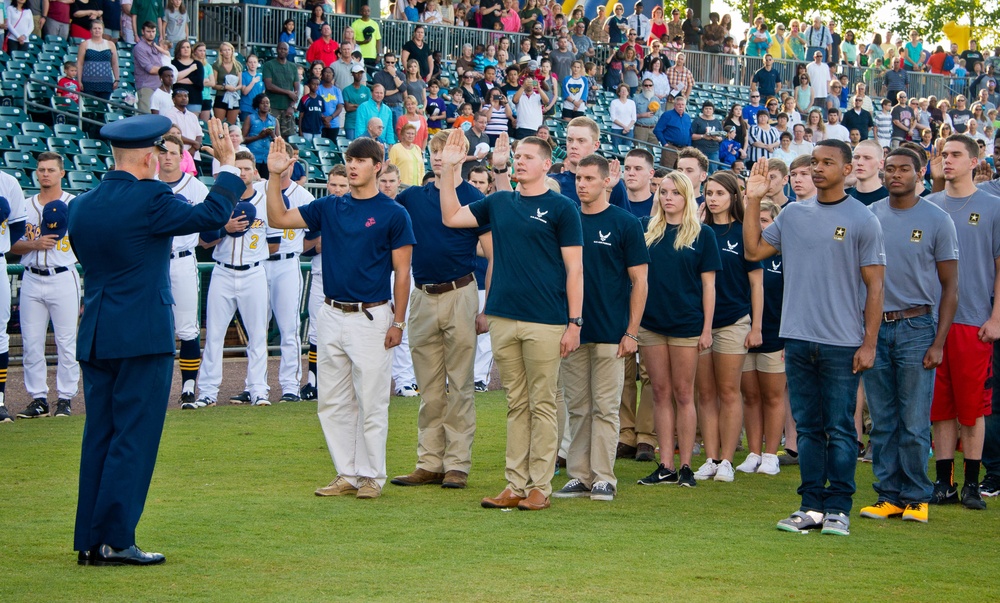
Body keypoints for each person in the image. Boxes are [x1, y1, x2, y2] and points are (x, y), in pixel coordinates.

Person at [69, 115, 242, 565]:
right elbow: (211, 216)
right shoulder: (151, 197)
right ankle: (115, 539)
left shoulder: (81, 204)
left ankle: (91, 539)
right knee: (134, 438)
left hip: (97, 333)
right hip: (142, 334)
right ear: (149, 157)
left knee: (100, 435)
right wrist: (227, 168)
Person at [744, 143, 886, 537]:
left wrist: (869, 343)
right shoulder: (792, 214)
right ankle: (810, 506)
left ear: (847, 170)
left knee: (839, 428)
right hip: (797, 339)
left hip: (842, 342)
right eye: (814, 162)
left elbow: (876, 287)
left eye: (827, 163)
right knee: (807, 428)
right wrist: (753, 201)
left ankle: (839, 507)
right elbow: (754, 250)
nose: (818, 168)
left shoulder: (863, 219)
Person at [439, 129, 583, 511]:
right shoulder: (499, 201)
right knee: (517, 403)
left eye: (528, 157)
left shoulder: (563, 208)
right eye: (518, 156)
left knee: (543, 404)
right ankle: (515, 484)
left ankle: (540, 487)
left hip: (546, 319)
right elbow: (451, 216)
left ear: (547, 164)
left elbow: (575, 270)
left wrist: (575, 323)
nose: (521, 161)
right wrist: (448, 170)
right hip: (503, 316)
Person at [267, 136, 415, 501]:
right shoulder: (329, 206)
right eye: (350, 159)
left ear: (378, 166)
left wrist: (398, 322)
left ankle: (372, 476)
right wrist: (274, 176)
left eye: (360, 160)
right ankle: (347, 473)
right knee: (332, 401)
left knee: (372, 401)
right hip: (331, 312)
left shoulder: (394, 213)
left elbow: (403, 272)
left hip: (372, 315)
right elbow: (277, 218)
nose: (352, 165)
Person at [857, 147, 959, 524]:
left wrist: (939, 342)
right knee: (883, 421)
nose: (896, 174)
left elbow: (951, 287)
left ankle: (916, 496)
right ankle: (888, 495)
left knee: (915, 421)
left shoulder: (937, 219)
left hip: (917, 327)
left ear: (919, 173)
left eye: (904, 169)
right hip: (875, 328)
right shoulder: (869, 216)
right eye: (890, 169)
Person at [389, 130, 493, 491]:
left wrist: (488, 307)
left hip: (461, 292)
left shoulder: (475, 198)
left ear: (461, 156)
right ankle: (429, 462)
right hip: (421, 294)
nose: (438, 156)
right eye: (433, 150)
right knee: (430, 387)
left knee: (461, 384)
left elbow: (493, 254)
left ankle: (457, 464)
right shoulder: (411, 198)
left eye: (445, 150)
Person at [925, 135, 1000, 510]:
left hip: (973, 320)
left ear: (974, 161)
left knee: (973, 408)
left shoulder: (993, 206)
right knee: (940, 408)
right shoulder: (929, 205)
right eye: (944, 154)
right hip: (931, 322)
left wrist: (996, 317)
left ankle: (971, 483)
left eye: (956, 154)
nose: (948, 159)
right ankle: (944, 483)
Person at [635, 171, 720, 487]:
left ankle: (685, 465)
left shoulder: (703, 234)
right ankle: (666, 465)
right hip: (651, 324)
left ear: (687, 196)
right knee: (659, 392)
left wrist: (707, 328)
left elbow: (709, 286)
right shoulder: (646, 229)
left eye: (675, 193)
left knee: (684, 394)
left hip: (687, 324)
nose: (668, 197)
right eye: (663, 192)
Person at [692, 171, 763, 482]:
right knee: (705, 393)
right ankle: (711, 457)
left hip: (734, 320)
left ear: (734, 196)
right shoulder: (697, 231)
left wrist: (756, 326)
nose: (713, 198)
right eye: (709, 193)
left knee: (729, 391)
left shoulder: (744, 232)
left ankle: (727, 460)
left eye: (720, 193)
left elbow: (757, 284)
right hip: (698, 323)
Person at [189, 150, 271, 409]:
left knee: (257, 335)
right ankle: (208, 391)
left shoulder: (266, 201)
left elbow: (275, 242)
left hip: (254, 271)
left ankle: (258, 389)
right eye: (238, 168)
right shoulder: (219, 201)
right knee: (214, 334)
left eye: (247, 168)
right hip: (223, 271)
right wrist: (225, 229)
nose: (243, 173)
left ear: (255, 172)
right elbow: (204, 241)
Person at [9, 153, 77, 420]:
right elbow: (11, 245)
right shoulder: (25, 206)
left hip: (63, 275)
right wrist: (34, 244)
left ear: (62, 173)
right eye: (41, 170)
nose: (45, 174)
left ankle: (65, 398)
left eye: (50, 169)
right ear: (36, 173)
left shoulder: (74, 204)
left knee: (66, 341)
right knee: (32, 342)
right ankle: (38, 399)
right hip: (32, 277)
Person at [149, 134, 209, 408]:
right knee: (150, 325)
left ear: (182, 156)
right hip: (153, 260)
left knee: (187, 327)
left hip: (183, 258)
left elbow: (211, 224)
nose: (167, 157)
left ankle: (188, 388)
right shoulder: (147, 185)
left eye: (173, 152)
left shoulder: (195, 187)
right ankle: (152, 387)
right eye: (163, 152)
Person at [739, 199, 787, 476]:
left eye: (765, 220)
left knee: (773, 396)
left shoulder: (785, 256)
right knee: (750, 396)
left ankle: (771, 454)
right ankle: (753, 452)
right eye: (756, 220)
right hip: (744, 333)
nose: (759, 226)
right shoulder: (746, 254)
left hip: (776, 334)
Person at [551, 117, 630, 210]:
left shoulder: (612, 183)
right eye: (570, 140)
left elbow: (623, 218)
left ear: (596, 145)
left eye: (581, 141)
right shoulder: (552, 182)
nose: (573, 146)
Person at [263, 42, 300, 138]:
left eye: (285, 49)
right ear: (277, 49)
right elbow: (269, 86)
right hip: (273, 107)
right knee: (271, 136)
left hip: (287, 108)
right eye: (280, 48)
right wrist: (288, 92)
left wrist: (292, 106)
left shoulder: (293, 67)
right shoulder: (269, 65)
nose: (282, 51)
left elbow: (297, 89)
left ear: (288, 51)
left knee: (288, 137)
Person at [76, 19, 119, 101]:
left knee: (103, 106)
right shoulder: (84, 44)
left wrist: (117, 79)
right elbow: (80, 63)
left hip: (106, 82)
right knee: (90, 106)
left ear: (103, 30)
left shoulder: (110, 44)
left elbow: (114, 63)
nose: (97, 30)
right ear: (91, 30)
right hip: (88, 82)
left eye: (99, 28)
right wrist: (79, 81)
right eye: (95, 28)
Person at [654, 95, 692, 168]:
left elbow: (690, 132)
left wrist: (689, 145)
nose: (681, 106)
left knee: (681, 171)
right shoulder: (667, 115)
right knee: (666, 170)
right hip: (670, 148)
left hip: (684, 149)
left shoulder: (687, 117)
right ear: (674, 105)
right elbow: (657, 130)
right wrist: (664, 143)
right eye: (678, 104)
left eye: (683, 104)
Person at [847, 140, 889, 205]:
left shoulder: (891, 200)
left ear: (881, 163)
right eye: (856, 157)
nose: (860, 162)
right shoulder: (843, 198)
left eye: (867, 158)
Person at [351, 4, 381, 70]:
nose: (367, 12)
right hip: (359, 55)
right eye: (365, 11)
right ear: (361, 12)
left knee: (371, 74)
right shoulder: (355, 24)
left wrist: (378, 54)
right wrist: (363, 42)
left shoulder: (375, 24)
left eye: (368, 11)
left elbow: (378, 40)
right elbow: (352, 40)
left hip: (372, 55)